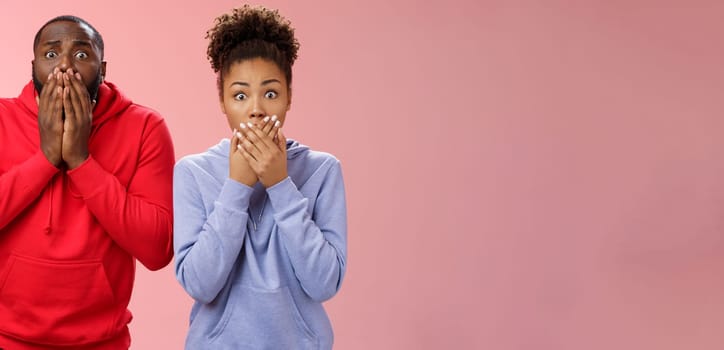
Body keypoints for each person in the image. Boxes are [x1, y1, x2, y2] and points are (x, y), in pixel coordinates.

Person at [173, 5, 348, 349]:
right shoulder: (192, 172)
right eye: (240, 95)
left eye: (270, 93)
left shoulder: (322, 169)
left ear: (289, 97)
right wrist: (236, 187)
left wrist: (280, 184)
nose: (256, 108)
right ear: (222, 100)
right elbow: (199, 284)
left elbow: (325, 283)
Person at [0, 15, 175, 349]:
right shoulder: (2, 119)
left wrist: (81, 161)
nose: (65, 66)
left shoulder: (145, 127)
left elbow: (157, 250)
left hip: (102, 342)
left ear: (103, 68)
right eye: (51, 55)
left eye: (81, 55)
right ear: (33, 66)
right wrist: (46, 158)